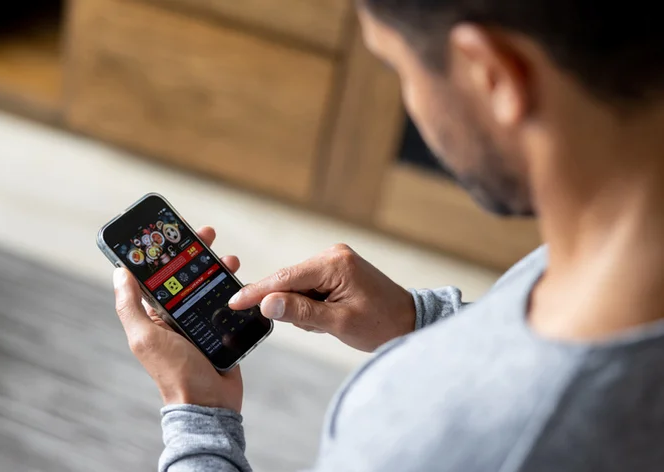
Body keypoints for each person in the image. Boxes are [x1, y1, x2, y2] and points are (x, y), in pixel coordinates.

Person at [110, 0, 664, 469]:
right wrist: (417, 320)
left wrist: (199, 416)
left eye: (396, 66)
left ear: (490, 73)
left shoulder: (424, 441)